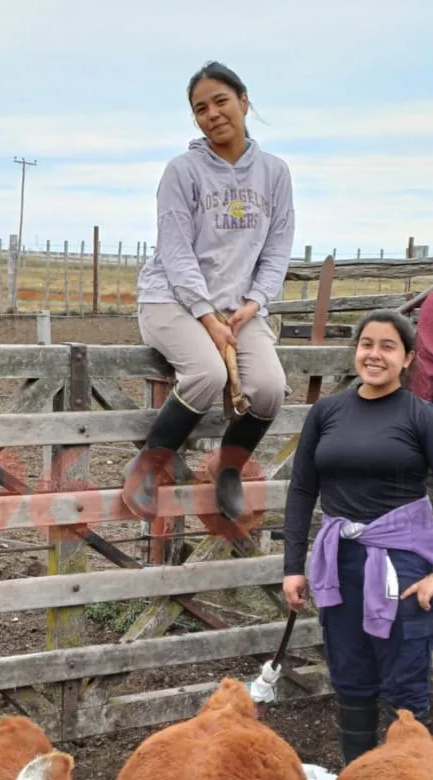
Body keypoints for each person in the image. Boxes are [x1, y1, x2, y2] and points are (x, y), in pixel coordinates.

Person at [281, 309, 433, 780]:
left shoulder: (420, 417)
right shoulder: (327, 414)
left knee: (404, 684)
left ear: (407, 358)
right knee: (351, 677)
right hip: (340, 567)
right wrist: (293, 565)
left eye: (388, 346)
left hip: (403, 570)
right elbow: (303, 490)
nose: (374, 354)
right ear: (356, 352)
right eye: (367, 344)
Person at [122, 61, 295, 526]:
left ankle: (229, 471)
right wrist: (207, 316)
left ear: (244, 101)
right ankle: (147, 466)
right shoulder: (182, 172)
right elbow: (175, 253)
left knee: (269, 390)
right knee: (206, 373)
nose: (212, 114)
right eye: (200, 108)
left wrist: (254, 303)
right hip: (172, 300)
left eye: (221, 101)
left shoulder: (275, 174)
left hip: (239, 307)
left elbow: (278, 248)